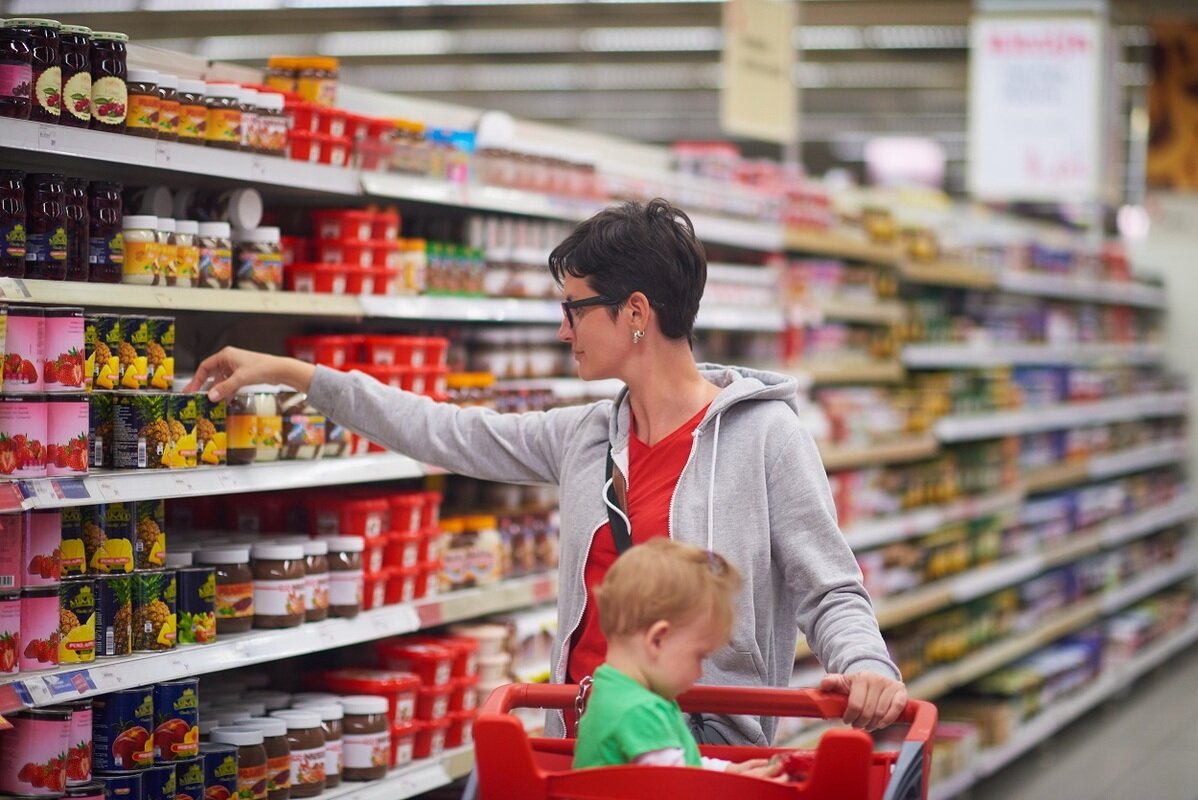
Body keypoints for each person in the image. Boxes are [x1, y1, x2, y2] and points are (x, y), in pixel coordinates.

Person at [184, 198, 906, 745]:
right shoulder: (586, 435)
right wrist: (294, 373)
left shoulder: (764, 437)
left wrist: (869, 667)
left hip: (706, 752)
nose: (562, 330)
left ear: (634, 313)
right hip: (588, 738)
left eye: (573, 308)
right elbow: (447, 430)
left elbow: (829, 587)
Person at [573, 538, 781, 779]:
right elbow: (679, 785)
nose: (700, 673)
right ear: (658, 640)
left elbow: (677, 765)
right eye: (699, 656)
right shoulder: (640, 710)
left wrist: (728, 771)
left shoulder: (614, 691)